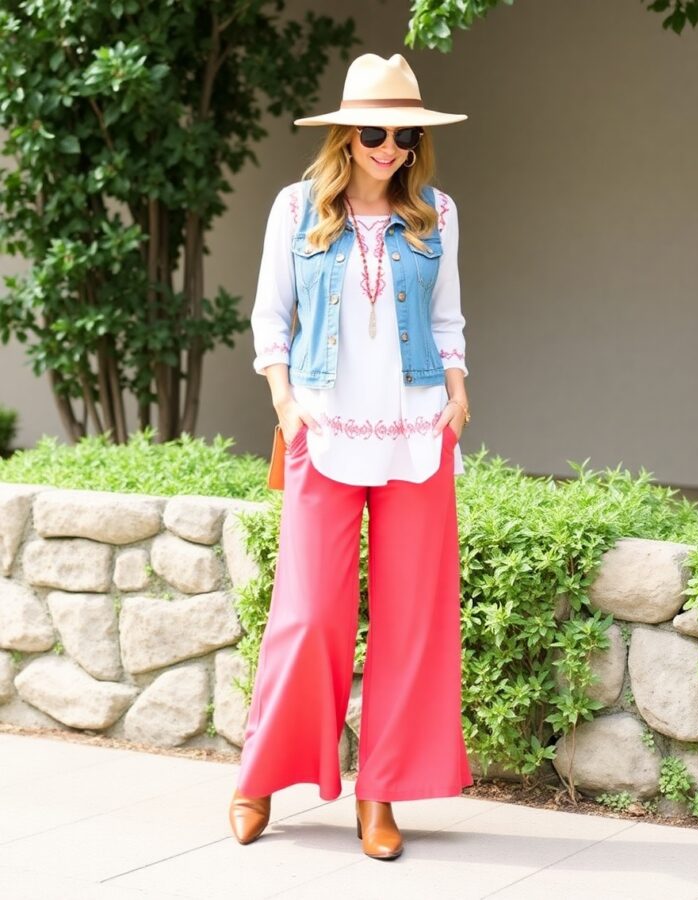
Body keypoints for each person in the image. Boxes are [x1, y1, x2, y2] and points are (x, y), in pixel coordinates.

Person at [229, 51, 474, 861]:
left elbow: (447, 321)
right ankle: (259, 777)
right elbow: (271, 319)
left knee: (411, 625)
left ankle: (380, 796)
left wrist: (458, 390)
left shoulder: (435, 212)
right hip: (323, 432)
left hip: (415, 434)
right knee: (308, 619)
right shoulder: (296, 209)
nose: (389, 144)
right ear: (344, 133)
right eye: (373, 129)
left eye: (404, 132)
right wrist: (286, 406)